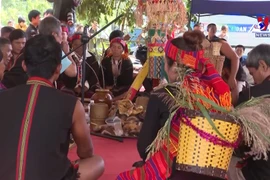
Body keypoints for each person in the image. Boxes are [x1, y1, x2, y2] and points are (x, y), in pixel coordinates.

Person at [117, 31, 232, 180]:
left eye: (165, 62)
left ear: (175, 65)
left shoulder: (162, 96)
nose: (164, 68)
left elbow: (145, 147)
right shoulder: (215, 95)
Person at [0, 34, 104, 180]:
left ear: (24, 65)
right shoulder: (72, 104)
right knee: (97, 162)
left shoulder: (3, 96)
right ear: (58, 68)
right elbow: (86, 152)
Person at [234, 44, 270, 180]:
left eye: (252, 73)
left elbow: (240, 138)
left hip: (259, 172)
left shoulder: (249, 95)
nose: (253, 80)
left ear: (263, 66)